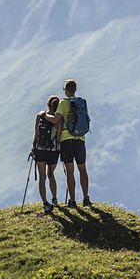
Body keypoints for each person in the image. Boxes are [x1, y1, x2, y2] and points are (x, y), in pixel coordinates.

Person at [52, 78, 91, 207]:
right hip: (80, 139)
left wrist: (44, 115)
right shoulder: (81, 102)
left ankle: (73, 200)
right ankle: (86, 199)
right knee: (82, 169)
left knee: (70, 171)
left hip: (66, 139)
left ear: (66, 90)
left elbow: (56, 119)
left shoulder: (63, 103)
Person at [33, 95, 61, 214]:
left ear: (48, 105)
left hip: (40, 149)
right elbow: (59, 137)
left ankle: (45, 203)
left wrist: (34, 147)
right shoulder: (59, 119)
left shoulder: (39, 116)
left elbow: (36, 134)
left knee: (42, 177)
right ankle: (54, 199)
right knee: (51, 174)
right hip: (53, 150)